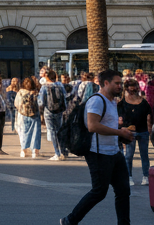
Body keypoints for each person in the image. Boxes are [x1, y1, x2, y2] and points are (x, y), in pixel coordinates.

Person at [60, 69, 133, 225]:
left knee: (123, 191)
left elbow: (107, 124)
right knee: (99, 192)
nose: (120, 86)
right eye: (117, 83)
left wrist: (121, 130)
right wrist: (120, 132)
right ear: (106, 83)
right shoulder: (97, 101)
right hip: (98, 153)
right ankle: (70, 220)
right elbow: (93, 126)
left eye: (121, 83)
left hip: (114, 152)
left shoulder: (112, 101)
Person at [117, 75, 152, 185]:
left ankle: (146, 176)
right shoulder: (122, 103)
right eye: (129, 87)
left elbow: (149, 116)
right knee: (129, 155)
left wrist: (149, 128)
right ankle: (129, 176)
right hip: (129, 131)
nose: (132, 90)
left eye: (133, 87)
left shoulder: (143, 102)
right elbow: (119, 118)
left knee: (144, 154)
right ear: (126, 89)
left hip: (143, 131)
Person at [39, 68, 69, 160]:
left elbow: (41, 102)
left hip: (49, 111)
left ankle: (57, 153)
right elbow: (65, 96)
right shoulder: (59, 85)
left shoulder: (44, 87)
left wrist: (41, 112)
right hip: (59, 110)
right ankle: (63, 150)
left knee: (52, 131)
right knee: (59, 130)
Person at [15, 76, 42, 158]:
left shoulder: (20, 92)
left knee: (24, 132)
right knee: (36, 132)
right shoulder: (36, 93)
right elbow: (41, 104)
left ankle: (24, 150)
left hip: (23, 114)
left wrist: (21, 110)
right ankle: (35, 151)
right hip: (35, 114)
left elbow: (16, 104)